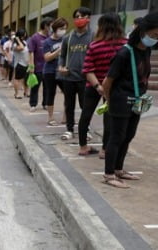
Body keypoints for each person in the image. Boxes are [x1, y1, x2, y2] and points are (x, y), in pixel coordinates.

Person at [102, 12, 158, 188]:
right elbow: (107, 82)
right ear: (143, 32)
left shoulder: (147, 50)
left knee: (128, 136)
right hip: (121, 99)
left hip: (138, 98)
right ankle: (109, 174)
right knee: (116, 137)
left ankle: (119, 169)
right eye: (154, 35)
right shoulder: (124, 53)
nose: (156, 39)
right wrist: (110, 102)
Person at [78, 13, 127, 157]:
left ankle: (83, 147)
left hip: (94, 86)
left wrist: (98, 87)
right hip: (115, 88)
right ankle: (105, 150)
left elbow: (87, 70)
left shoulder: (94, 45)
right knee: (110, 118)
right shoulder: (125, 45)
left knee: (86, 115)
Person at [58, 7, 94, 140]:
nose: (79, 19)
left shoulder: (93, 36)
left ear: (88, 19)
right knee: (69, 105)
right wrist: (61, 67)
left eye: (83, 16)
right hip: (69, 77)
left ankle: (85, 129)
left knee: (85, 106)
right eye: (77, 17)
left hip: (86, 78)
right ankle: (69, 129)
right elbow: (62, 55)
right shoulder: (68, 37)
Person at [43, 17, 68, 125]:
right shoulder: (47, 42)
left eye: (65, 28)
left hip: (63, 71)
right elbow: (47, 58)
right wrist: (59, 50)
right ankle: (50, 117)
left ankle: (65, 117)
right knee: (50, 94)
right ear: (55, 28)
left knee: (68, 93)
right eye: (61, 28)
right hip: (50, 71)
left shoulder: (66, 39)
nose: (63, 30)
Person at [28, 16, 54, 111]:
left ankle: (45, 104)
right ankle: (33, 104)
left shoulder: (50, 37)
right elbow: (31, 53)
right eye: (50, 26)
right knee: (35, 86)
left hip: (48, 67)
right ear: (45, 26)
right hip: (37, 67)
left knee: (47, 87)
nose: (52, 28)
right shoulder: (35, 37)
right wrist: (31, 66)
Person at [12, 29, 30, 99]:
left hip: (26, 63)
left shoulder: (25, 42)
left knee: (26, 79)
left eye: (24, 35)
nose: (24, 37)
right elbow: (21, 48)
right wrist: (17, 40)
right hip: (19, 64)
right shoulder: (15, 45)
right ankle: (17, 94)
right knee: (18, 79)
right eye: (22, 35)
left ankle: (26, 92)